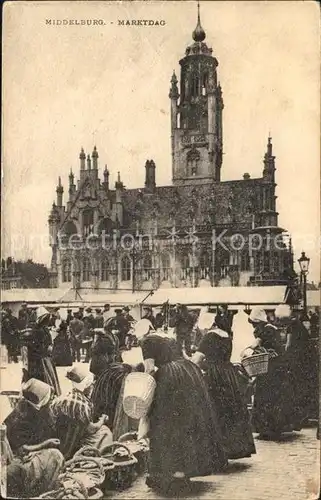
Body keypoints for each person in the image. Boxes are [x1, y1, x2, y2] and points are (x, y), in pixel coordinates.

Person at [138, 315, 227, 494]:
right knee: (186, 421)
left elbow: (149, 369)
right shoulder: (167, 336)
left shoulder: (147, 341)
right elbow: (183, 355)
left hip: (169, 378)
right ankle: (184, 469)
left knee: (166, 423)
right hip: (188, 373)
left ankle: (170, 471)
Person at [192, 326, 256, 459]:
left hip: (214, 377)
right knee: (229, 412)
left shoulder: (209, 337)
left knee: (214, 412)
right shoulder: (227, 336)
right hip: (228, 375)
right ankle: (231, 449)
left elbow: (197, 360)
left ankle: (216, 453)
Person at [3, 379, 64, 499]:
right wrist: (46, 444)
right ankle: (43, 490)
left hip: (25, 454)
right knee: (55, 456)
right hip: (18, 459)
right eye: (49, 396)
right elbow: (21, 448)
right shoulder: (21, 417)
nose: (51, 398)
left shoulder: (31, 407)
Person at [247, 308, 296, 440]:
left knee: (265, 396)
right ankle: (274, 428)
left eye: (254, 323)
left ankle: (267, 429)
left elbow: (255, 345)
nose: (253, 326)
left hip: (270, 368)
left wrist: (247, 350)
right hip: (276, 367)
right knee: (275, 396)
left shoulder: (266, 330)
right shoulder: (272, 329)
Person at [51, 366, 113, 459]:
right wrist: (102, 420)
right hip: (74, 445)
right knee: (106, 432)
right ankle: (92, 456)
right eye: (91, 384)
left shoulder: (61, 398)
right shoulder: (83, 404)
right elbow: (91, 429)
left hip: (58, 441)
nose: (92, 386)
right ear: (86, 385)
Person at [277, 305, 319, 424]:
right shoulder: (299, 324)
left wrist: (283, 355)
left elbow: (289, 345)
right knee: (303, 387)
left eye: (281, 319)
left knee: (295, 387)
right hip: (305, 361)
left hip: (297, 361)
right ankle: (304, 416)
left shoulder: (292, 326)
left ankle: (297, 418)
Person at [20, 306, 61, 396]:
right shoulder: (45, 331)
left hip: (38, 361)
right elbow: (50, 347)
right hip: (45, 360)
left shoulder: (34, 332)